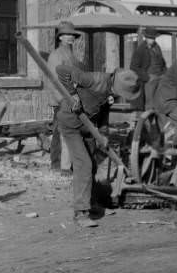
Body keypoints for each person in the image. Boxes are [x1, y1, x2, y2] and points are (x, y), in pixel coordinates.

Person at [54, 64, 142, 228]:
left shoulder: (111, 91)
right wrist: (73, 95)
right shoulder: (94, 79)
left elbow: (103, 113)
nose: (120, 96)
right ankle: (80, 212)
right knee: (84, 164)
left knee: (92, 165)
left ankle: (92, 204)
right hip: (70, 124)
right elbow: (62, 69)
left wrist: (103, 133)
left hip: (89, 127)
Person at [46, 21, 85, 173]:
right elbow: (54, 81)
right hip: (62, 100)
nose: (70, 37)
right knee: (59, 132)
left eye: (72, 35)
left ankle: (63, 163)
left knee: (64, 131)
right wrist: (63, 100)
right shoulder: (56, 55)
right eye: (66, 35)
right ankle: (57, 164)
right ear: (60, 37)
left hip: (71, 98)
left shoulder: (71, 55)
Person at [129, 26, 166, 111]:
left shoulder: (157, 47)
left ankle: (158, 123)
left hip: (160, 78)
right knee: (150, 105)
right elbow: (133, 67)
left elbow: (162, 62)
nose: (152, 40)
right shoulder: (140, 49)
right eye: (150, 38)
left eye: (153, 38)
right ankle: (148, 124)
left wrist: (164, 74)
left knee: (160, 103)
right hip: (150, 79)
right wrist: (147, 77)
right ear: (146, 37)